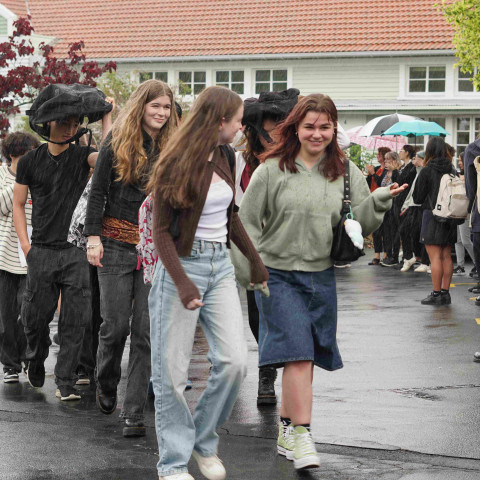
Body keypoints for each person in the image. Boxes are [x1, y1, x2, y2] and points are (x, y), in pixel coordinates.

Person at [231, 94, 406, 471]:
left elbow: (359, 221)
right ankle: (304, 434)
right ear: (295, 127)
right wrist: (250, 273)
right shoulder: (271, 169)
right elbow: (244, 224)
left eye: (325, 126)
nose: (317, 133)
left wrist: (377, 199)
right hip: (276, 276)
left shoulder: (344, 171)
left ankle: (285, 427)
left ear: (333, 129)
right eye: (309, 126)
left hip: (321, 275)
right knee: (299, 354)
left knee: (304, 359)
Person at [147, 86, 269, 480]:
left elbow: (231, 216)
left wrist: (255, 261)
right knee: (172, 373)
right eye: (237, 121)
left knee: (234, 362)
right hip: (180, 268)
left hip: (220, 268)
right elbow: (161, 233)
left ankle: (202, 439)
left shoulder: (227, 157)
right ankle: (172, 463)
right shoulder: (174, 161)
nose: (240, 128)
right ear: (220, 121)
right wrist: (182, 283)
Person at [84, 79, 177, 437]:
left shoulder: (172, 145)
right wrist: (93, 237)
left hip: (155, 249)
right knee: (115, 326)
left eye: (167, 107)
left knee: (145, 332)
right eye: (155, 106)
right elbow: (97, 194)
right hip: (115, 244)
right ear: (142, 106)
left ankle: (134, 412)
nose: (161, 113)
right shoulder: (117, 141)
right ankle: (106, 381)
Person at [13, 90, 113, 401]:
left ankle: (66, 381)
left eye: (75, 123)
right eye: (65, 122)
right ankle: (35, 355)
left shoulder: (84, 155)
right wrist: (27, 247)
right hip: (41, 250)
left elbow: (111, 158)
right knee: (34, 317)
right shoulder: (30, 160)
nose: (71, 128)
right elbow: (18, 204)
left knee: (77, 320)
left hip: (74, 251)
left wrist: (107, 114)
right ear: (49, 123)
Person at [236, 88, 299, 406]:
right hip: (252, 251)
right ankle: (267, 366)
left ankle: (270, 375)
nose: (275, 137)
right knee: (258, 316)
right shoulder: (239, 164)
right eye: (269, 131)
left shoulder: (297, 162)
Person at [0, 132, 40, 383]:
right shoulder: (3, 176)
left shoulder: (38, 179)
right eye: (29, 153)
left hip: (31, 256)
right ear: (15, 154)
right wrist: (20, 181)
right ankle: (10, 365)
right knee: (5, 317)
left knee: (30, 313)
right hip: (4, 257)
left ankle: (29, 357)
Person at [413, 137, 457, 305]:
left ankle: (436, 293)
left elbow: (417, 197)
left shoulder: (427, 170)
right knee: (446, 255)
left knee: (435, 258)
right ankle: (445, 293)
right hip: (450, 217)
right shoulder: (452, 169)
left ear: (429, 150)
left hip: (432, 216)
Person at [399, 150, 426, 272]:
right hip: (412, 206)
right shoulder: (417, 171)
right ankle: (409, 257)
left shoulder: (423, 171)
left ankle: (423, 260)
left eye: (416, 158)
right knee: (405, 231)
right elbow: (411, 191)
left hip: (420, 206)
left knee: (419, 234)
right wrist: (406, 205)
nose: (413, 160)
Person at [366, 147, 391, 265]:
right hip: (373, 199)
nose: (377, 156)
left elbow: (381, 182)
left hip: (382, 200)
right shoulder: (377, 169)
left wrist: (373, 174)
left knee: (385, 228)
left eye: (379, 154)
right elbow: (370, 182)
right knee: (376, 229)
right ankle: (377, 254)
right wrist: (369, 173)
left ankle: (386, 253)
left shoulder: (386, 170)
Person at [453, 153, 475, 275]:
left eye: (461, 160)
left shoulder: (470, 174)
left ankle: (477, 264)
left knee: (465, 240)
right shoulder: (460, 174)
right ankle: (460, 265)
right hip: (459, 208)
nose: (459, 162)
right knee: (459, 240)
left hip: (466, 209)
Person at [380, 151, 402, 267]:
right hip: (385, 204)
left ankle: (394, 255)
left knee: (394, 230)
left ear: (394, 160)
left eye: (388, 160)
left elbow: (397, 185)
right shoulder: (385, 173)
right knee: (386, 231)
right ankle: (388, 254)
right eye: (385, 160)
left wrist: (393, 171)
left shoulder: (397, 172)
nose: (386, 162)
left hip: (394, 204)